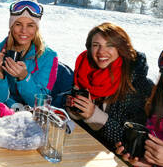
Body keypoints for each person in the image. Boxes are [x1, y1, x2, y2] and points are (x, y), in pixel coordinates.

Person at [58, 23, 152, 152]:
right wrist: (76, 112)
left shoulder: (136, 82)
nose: (101, 52)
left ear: (121, 48)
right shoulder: (84, 72)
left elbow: (131, 140)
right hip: (83, 148)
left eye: (110, 45)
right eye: (96, 45)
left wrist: (93, 115)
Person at [0, 0, 58, 109]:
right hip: (4, 114)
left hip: (32, 116)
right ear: (11, 26)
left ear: (36, 28)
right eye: (18, 24)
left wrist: (24, 77)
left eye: (30, 25)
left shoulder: (49, 56)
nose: (24, 31)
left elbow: (41, 104)